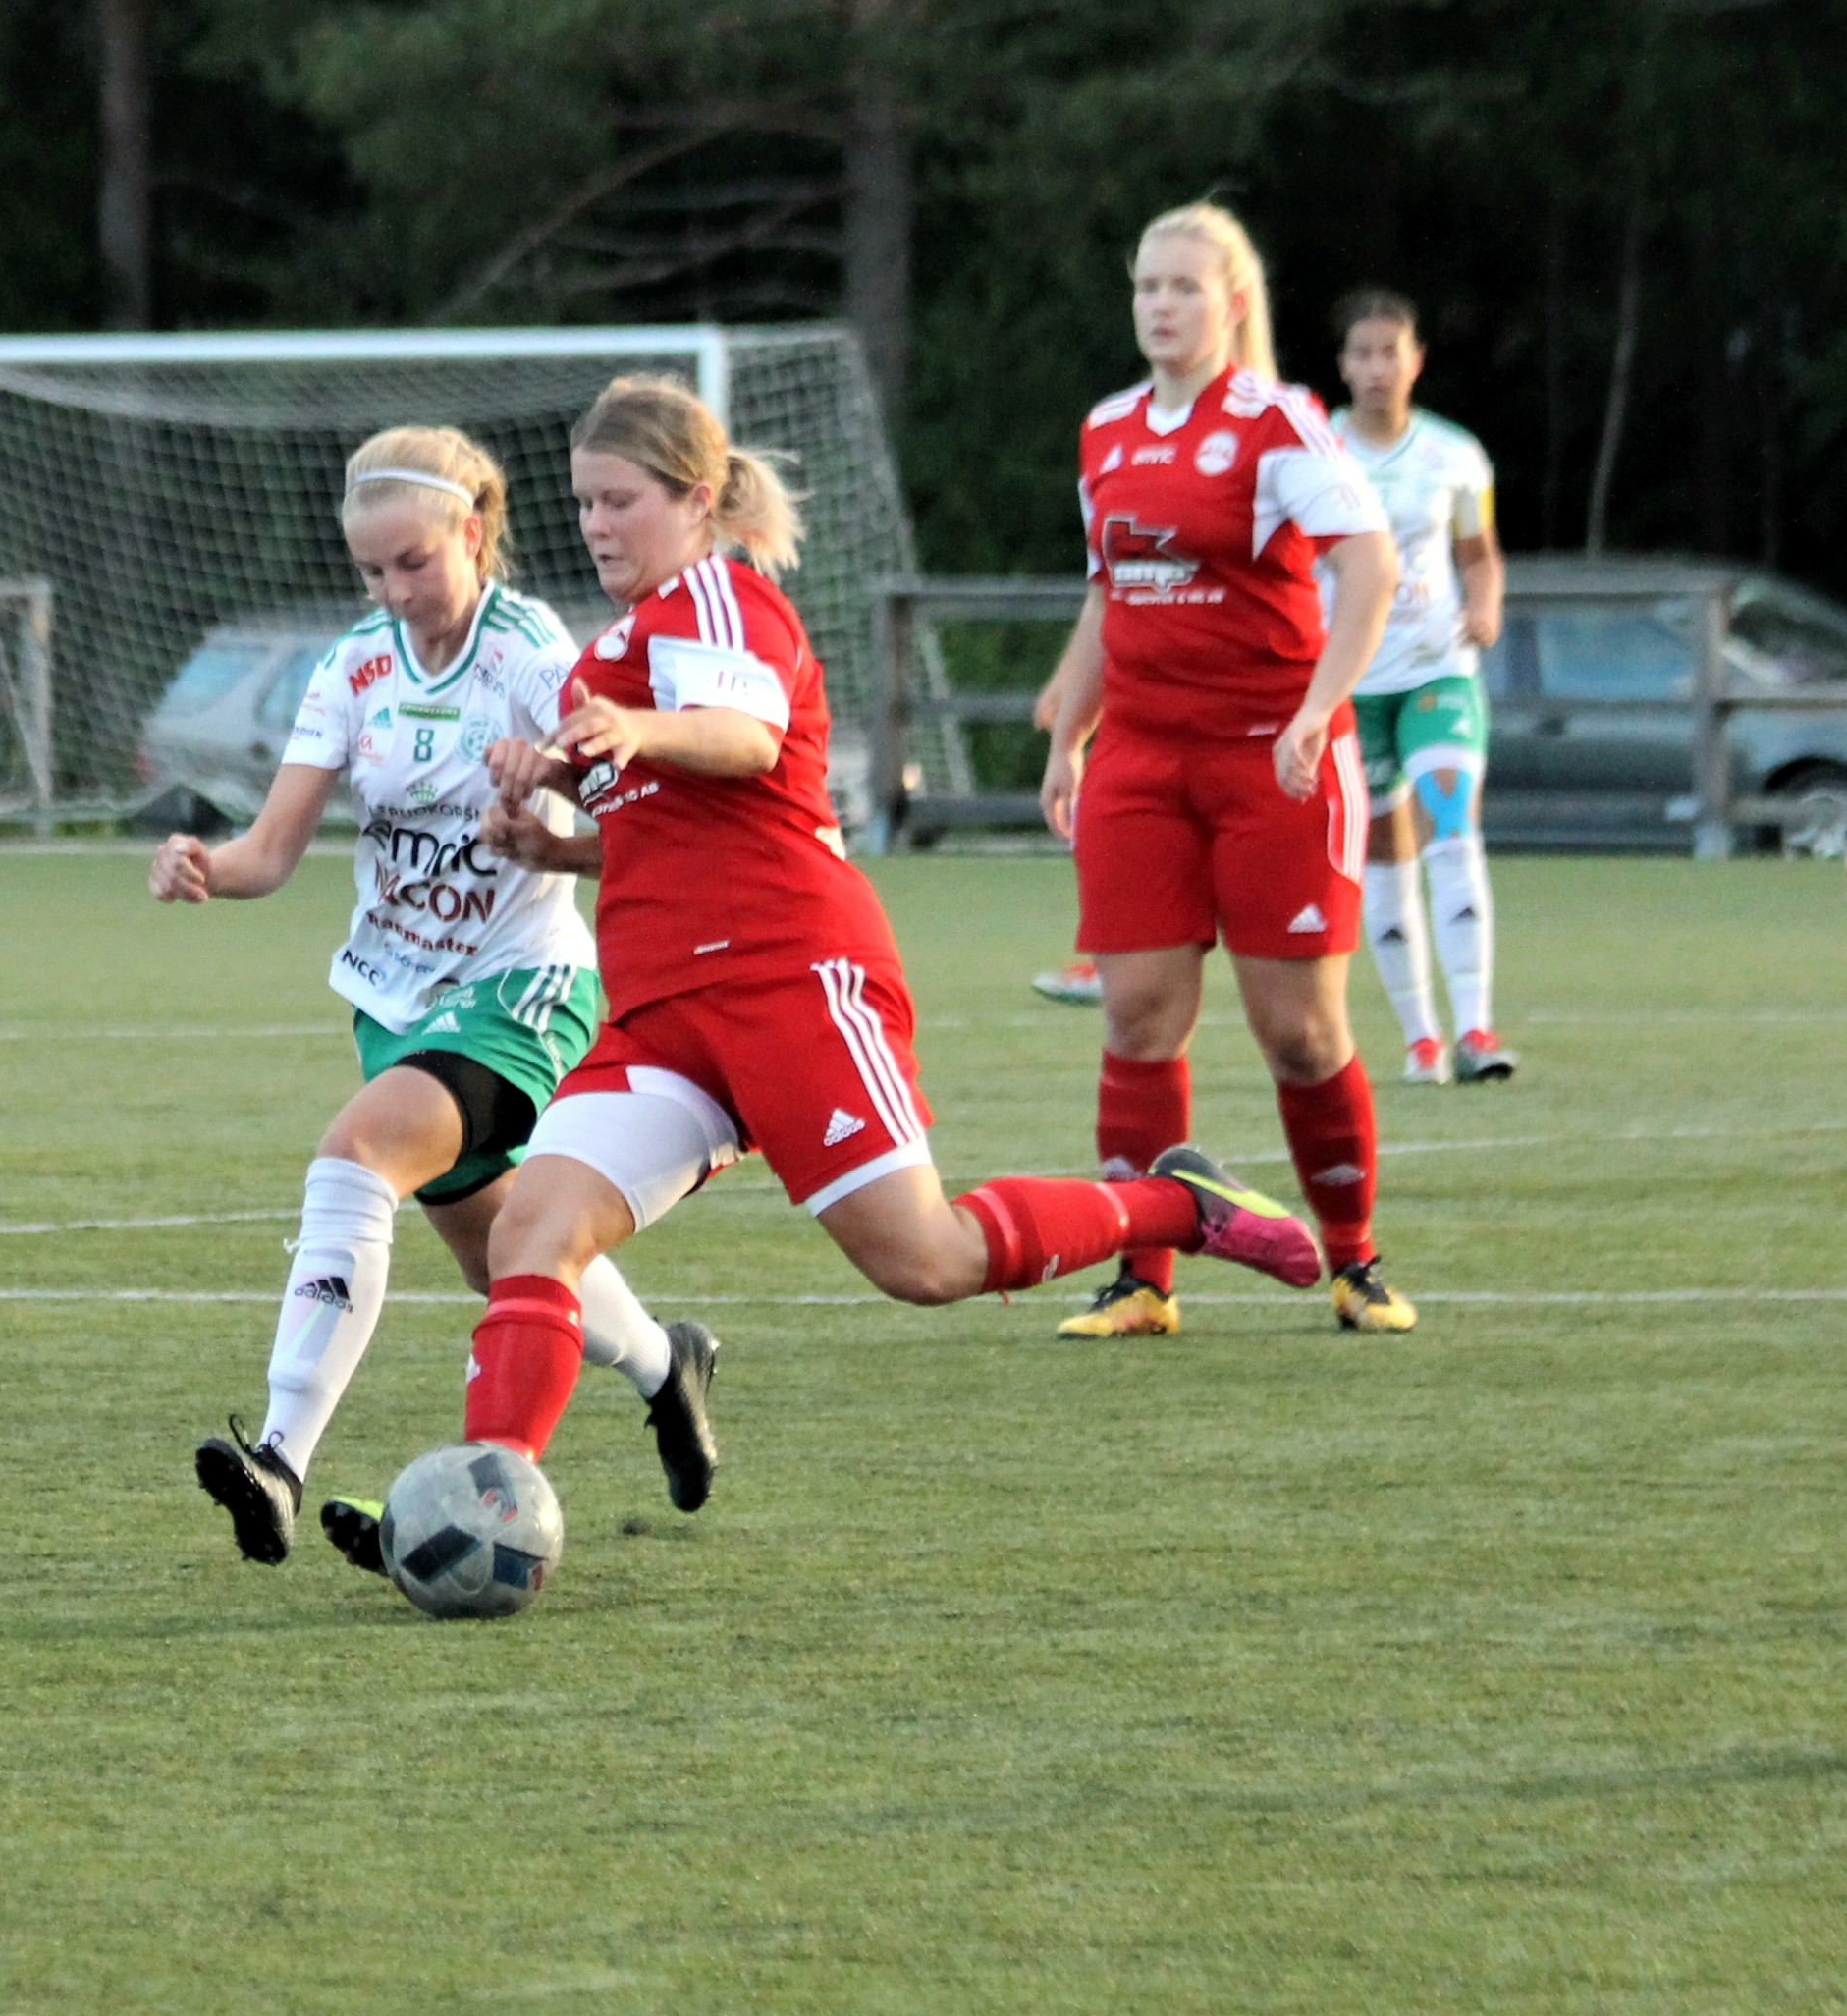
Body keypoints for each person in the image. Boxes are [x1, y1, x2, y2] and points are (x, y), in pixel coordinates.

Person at [337, 375, 1331, 1553]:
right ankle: (485, 1494)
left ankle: (1181, 1203)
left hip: (789, 979)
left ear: (696, 500)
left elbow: (747, 739)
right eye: (585, 502)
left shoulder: (724, 599)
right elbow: (674, 831)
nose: (596, 525)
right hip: (662, 1012)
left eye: (620, 500)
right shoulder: (605, 653)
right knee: (531, 1232)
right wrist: (556, 838)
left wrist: (635, 729)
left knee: (925, 1259)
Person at [150, 425, 714, 1565]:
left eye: (414, 561)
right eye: (371, 570)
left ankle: (278, 1460)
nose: (395, 591)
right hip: (394, 1001)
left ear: (474, 529)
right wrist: (208, 863)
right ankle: (668, 1366)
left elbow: (642, 818)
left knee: (354, 1152)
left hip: (522, 988)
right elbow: (271, 848)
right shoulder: (354, 665)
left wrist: (550, 786)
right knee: (506, 1254)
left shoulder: (529, 654)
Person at [1031, 203, 1415, 1340]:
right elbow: (1107, 593)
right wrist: (1067, 734)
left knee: (1298, 1030)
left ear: (1232, 303)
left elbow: (1371, 569)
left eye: (1184, 286)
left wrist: (1315, 711)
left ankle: (1353, 1260)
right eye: (1146, 284)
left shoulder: (1277, 421)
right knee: (1136, 1016)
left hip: (1272, 762)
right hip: (1142, 761)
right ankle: (1141, 1278)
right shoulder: (1106, 429)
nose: (1159, 304)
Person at [1329, 287, 1513, 1085]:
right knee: (1382, 848)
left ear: (1415, 361)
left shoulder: (1455, 455)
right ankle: (1420, 1038)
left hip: (1436, 667)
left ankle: (1474, 1028)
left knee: (1450, 818)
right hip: (1352, 680)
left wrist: (1485, 605)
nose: (1376, 368)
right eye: (1361, 353)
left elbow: (1478, 553)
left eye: (1389, 352)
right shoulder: (1315, 451)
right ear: (1343, 366)